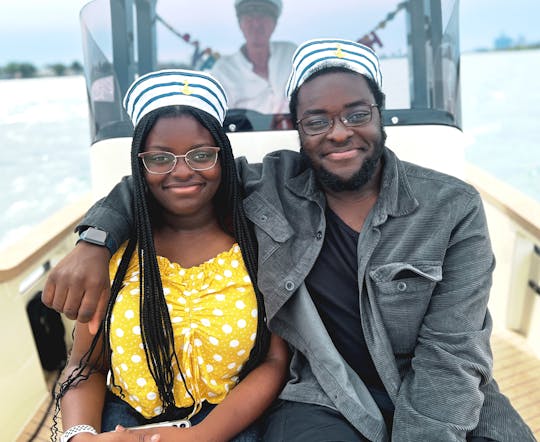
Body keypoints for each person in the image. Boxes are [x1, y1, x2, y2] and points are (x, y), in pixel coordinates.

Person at [43, 39, 535, 441]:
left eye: (357, 114)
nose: (338, 133)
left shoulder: (453, 207)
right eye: (316, 120)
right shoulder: (273, 187)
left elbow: (453, 352)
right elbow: (170, 176)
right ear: (295, 128)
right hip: (327, 394)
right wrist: (95, 240)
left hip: (442, 391)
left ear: (380, 114)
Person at [54, 68, 288, 442]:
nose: (182, 171)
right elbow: (85, 364)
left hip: (227, 423)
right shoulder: (116, 254)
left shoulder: (255, 244)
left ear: (222, 156)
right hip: (124, 421)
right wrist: (80, 436)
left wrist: (199, 436)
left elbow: (275, 361)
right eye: (161, 159)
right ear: (139, 164)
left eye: (200, 154)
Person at [209, 0, 296, 114]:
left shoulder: (291, 54)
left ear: (274, 23)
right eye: (249, 17)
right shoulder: (222, 70)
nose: (256, 24)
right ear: (240, 24)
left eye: (263, 16)